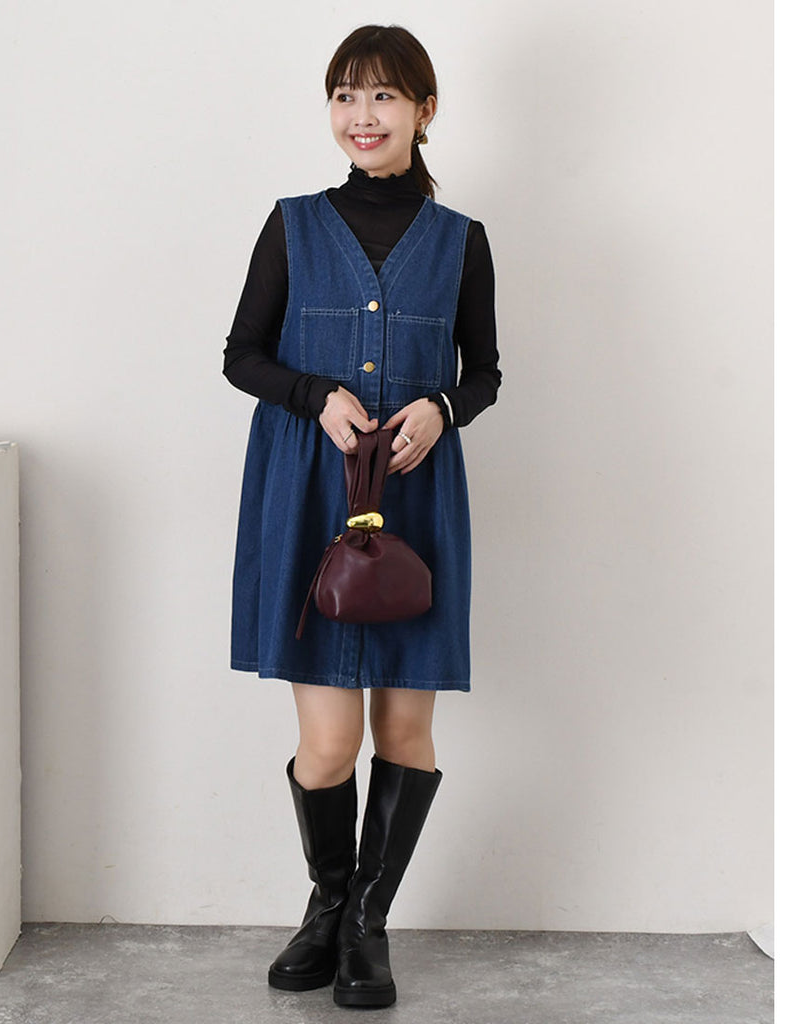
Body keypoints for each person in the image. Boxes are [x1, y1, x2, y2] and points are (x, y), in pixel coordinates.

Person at [223, 24, 501, 1009]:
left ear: (425, 110)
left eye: (382, 95)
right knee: (330, 742)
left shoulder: (460, 241)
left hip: (416, 502)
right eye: (345, 95)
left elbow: (485, 372)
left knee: (406, 729)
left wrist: (443, 408)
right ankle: (328, 908)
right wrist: (314, 397)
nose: (361, 115)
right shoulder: (293, 225)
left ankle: (367, 928)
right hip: (313, 498)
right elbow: (241, 356)